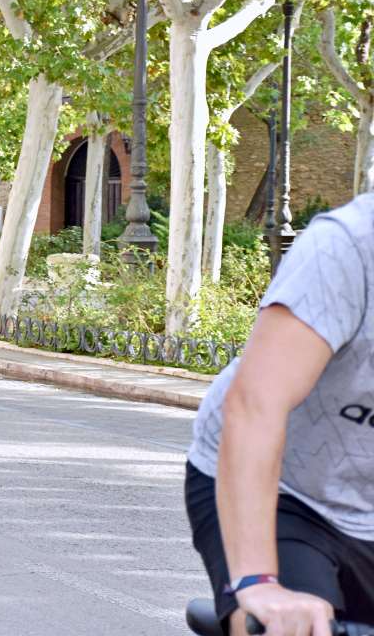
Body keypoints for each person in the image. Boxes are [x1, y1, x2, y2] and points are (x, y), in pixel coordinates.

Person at [185, 195, 374, 635]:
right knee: (289, 624)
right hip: (288, 494)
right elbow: (256, 405)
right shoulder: (347, 248)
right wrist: (259, 583)